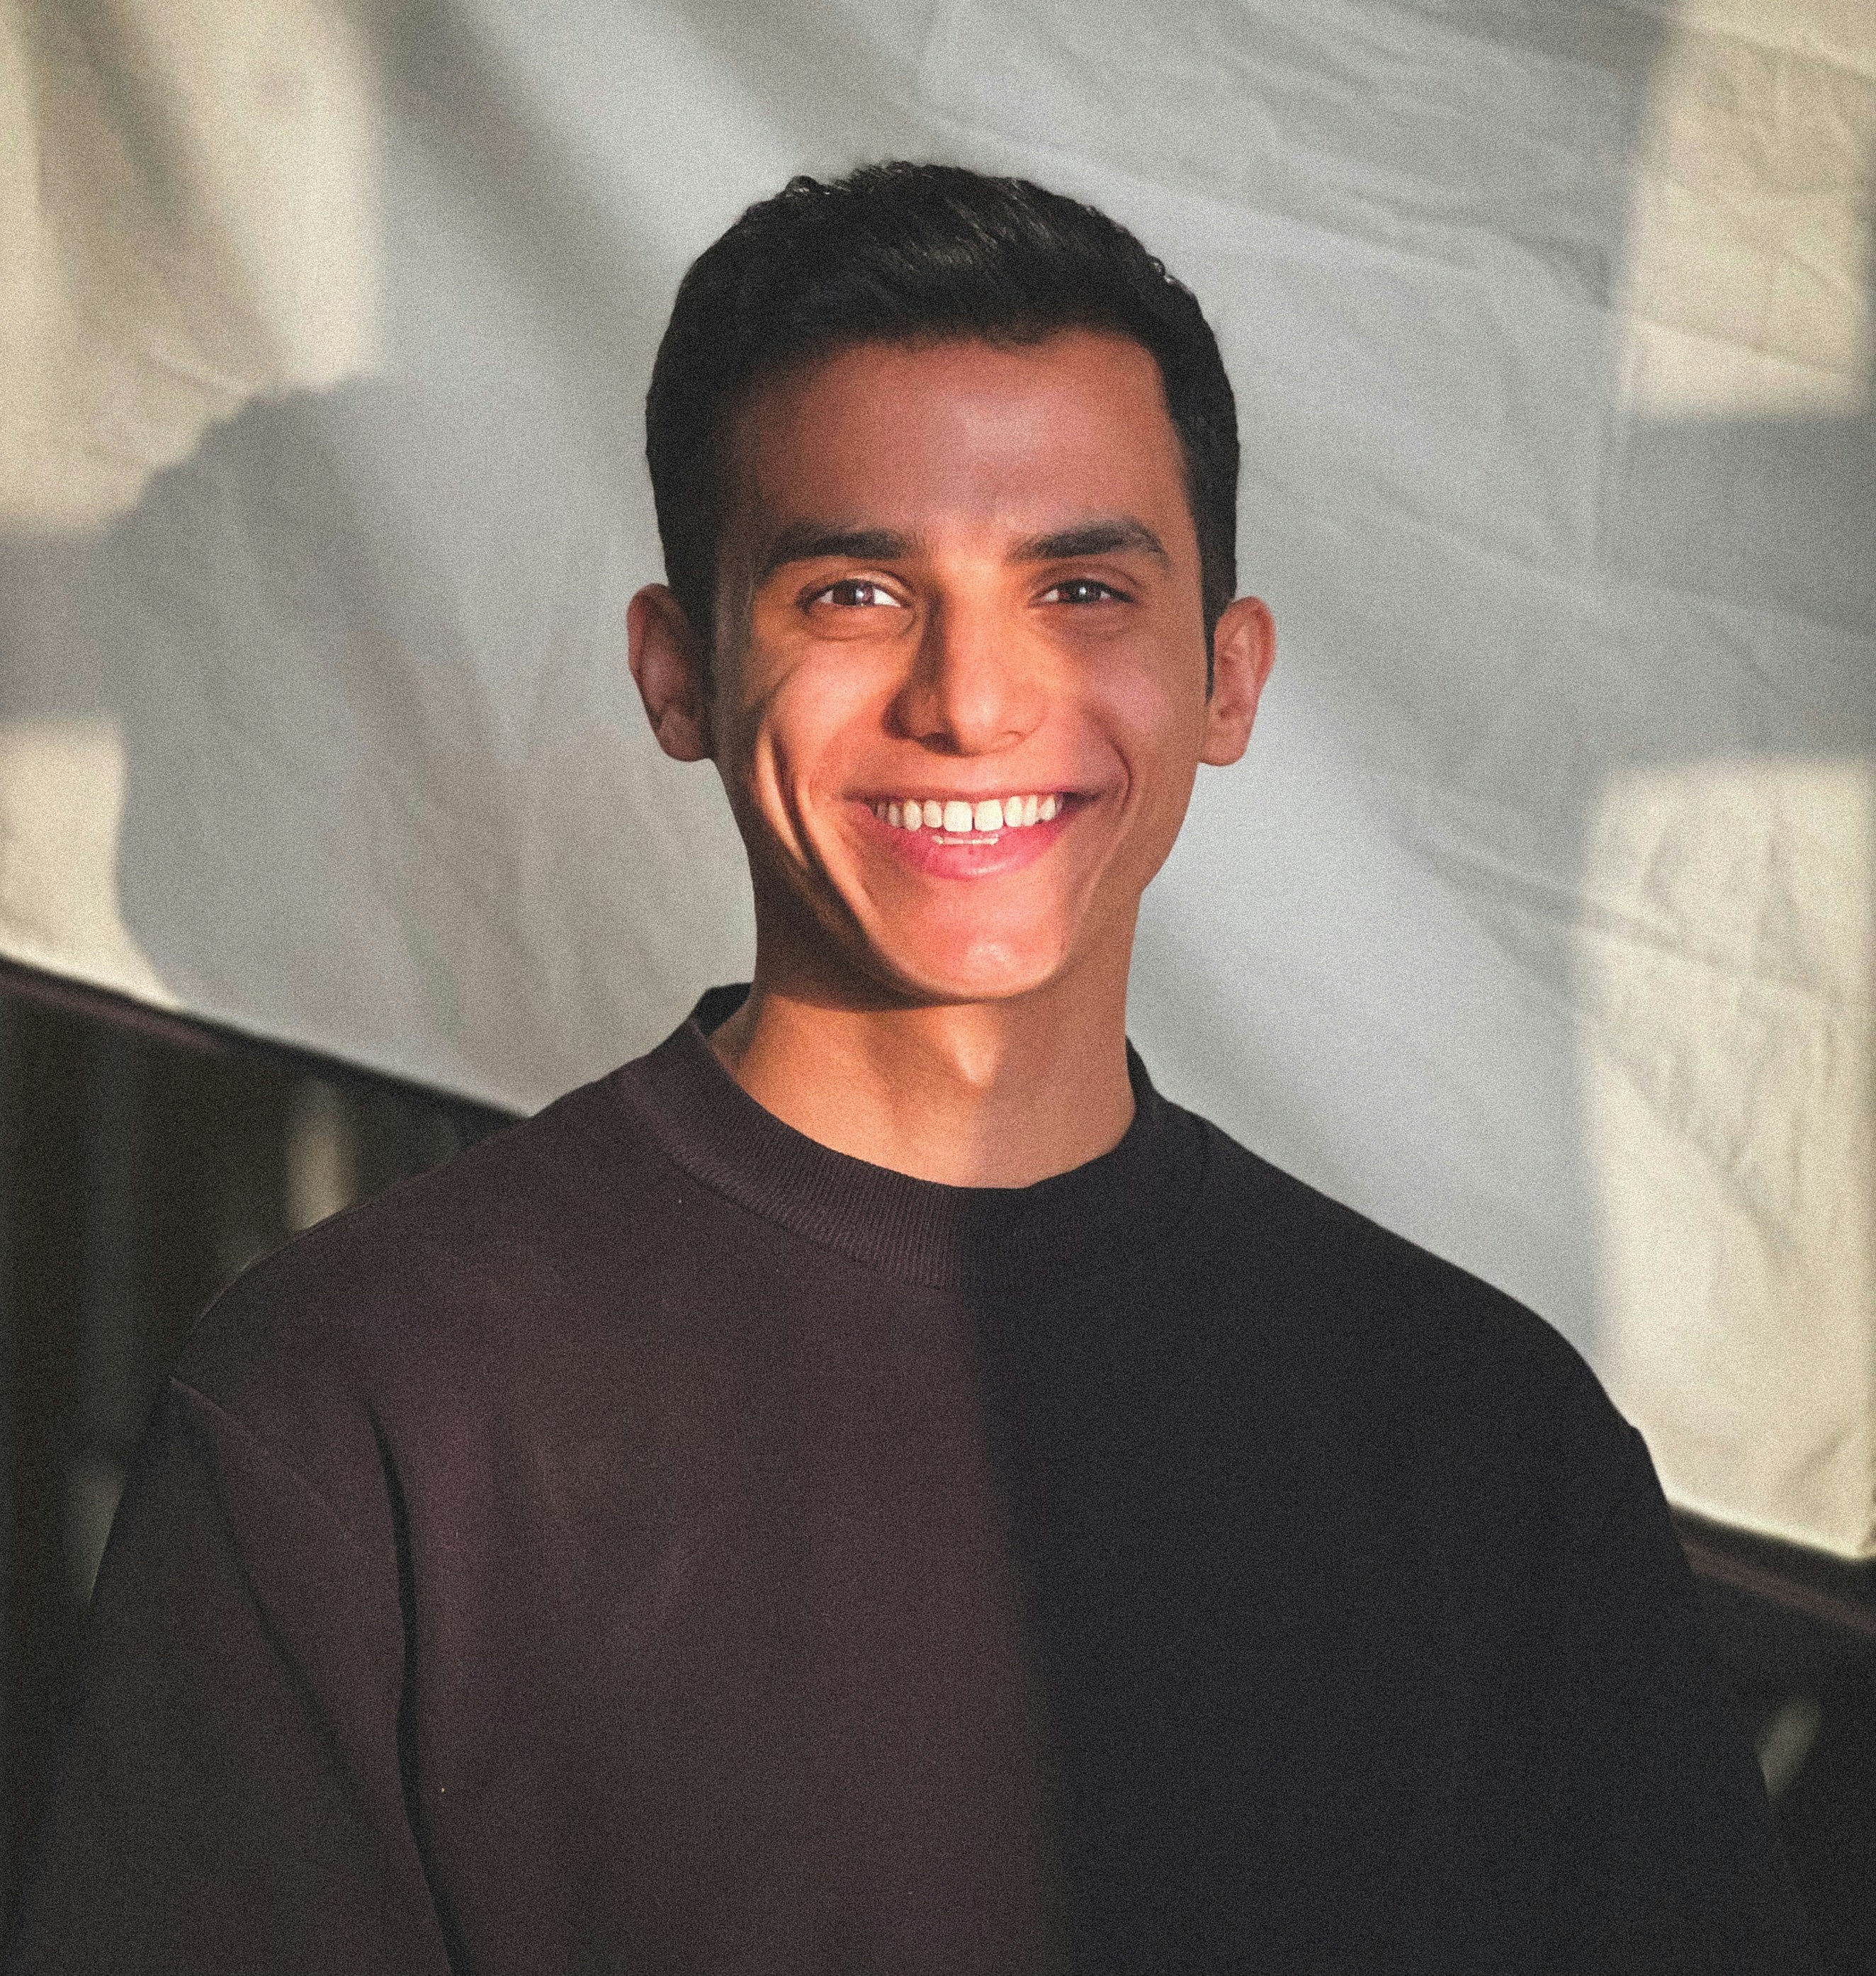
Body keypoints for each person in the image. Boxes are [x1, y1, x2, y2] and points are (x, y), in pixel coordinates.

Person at [8, 164, 1815, 1974]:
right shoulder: (361, 1408)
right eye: (858, 590)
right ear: (679, 674)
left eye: (1082, 586)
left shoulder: (1483, 1441)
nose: (972, 698)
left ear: (1226, 676)